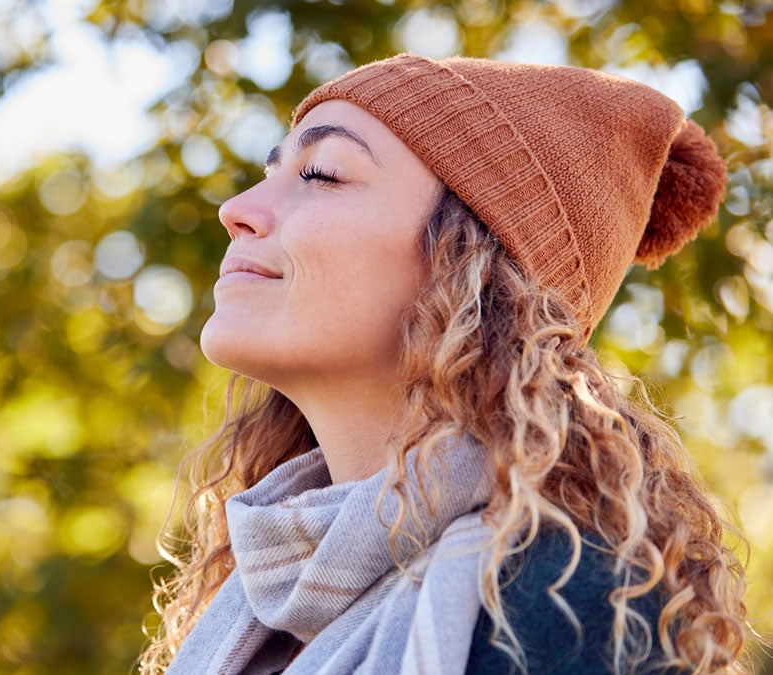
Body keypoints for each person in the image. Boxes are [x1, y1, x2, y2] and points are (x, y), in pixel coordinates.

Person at [139, 54, 750, 674]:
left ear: (469, 265)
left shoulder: (568, 605)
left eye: (321, 173)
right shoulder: (255, 605)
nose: (236, 208)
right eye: (270, 171)